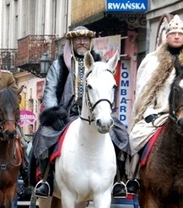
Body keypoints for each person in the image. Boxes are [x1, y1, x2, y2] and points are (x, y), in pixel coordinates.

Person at [126, 15, 183, 198]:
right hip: (157, 112)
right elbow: (144, 92)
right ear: (166, 36)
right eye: (173, 33)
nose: (176, 37)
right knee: (136, 138)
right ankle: (133, 177)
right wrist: (147, 113)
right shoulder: (152, 61)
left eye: (180, 34)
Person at [31, 26, 130, 198]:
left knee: (121, 134)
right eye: (78, 39)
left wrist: (105, 109)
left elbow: (108, 90)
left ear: (90, 42)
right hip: (66, 114)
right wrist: (54, 113)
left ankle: (119, 181)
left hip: (97, 114)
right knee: (44, 135)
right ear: (72, 42)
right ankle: (46, 180)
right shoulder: (59, 64)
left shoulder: (101, 64)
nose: (82, 42)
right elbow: (50, 91)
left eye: (85, 39)